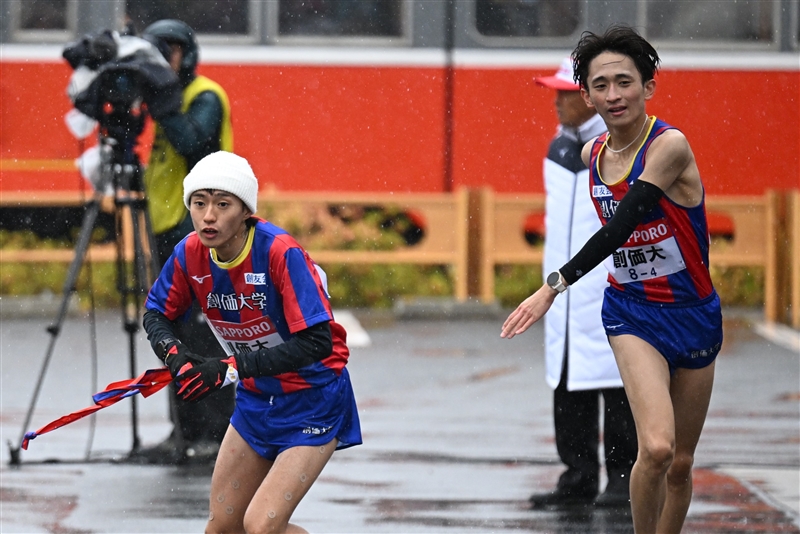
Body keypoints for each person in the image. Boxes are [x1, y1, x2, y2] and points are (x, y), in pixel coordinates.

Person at [501, 25, 723, 534]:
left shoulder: (670, 146)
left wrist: (550, 287)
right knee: (658, 446)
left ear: (648, 87)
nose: (613, 94)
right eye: (600, 84)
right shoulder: (589, 156)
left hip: (693, 314)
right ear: (587, 94)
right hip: (632, 313)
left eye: (624, 82)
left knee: (681, 463)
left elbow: (623, 226)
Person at [143, 151, 362, 533]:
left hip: (313, 399)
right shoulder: (189, 252)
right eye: (199, 203)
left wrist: (229, 368)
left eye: (222, 204)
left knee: (261, 527)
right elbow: (156, 314)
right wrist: (176, 358)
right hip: (257, 400)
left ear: (246, 211)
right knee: (222, 529)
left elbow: (317, 343)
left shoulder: (279, 252)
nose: (208, 216)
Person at [527, 58, 637, 509]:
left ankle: (622, 479)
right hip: (562, 289)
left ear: (588, 97)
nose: (556, 102)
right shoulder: (560, 146)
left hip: (606, 284)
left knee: (616, 384)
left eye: (563, 94)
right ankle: (577, 475)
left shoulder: (616, 145)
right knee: (567, 380)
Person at [131, 19, 236, 465]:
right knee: (172, 329)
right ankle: (184, 429)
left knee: (205, 329)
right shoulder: (164, 102)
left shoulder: (204, 96)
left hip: (201, 228)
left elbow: (198, 143)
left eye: (169, 51)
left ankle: (216, 432)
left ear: (186, 55)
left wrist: (165, 104)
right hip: (169, 226)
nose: (163, 61)